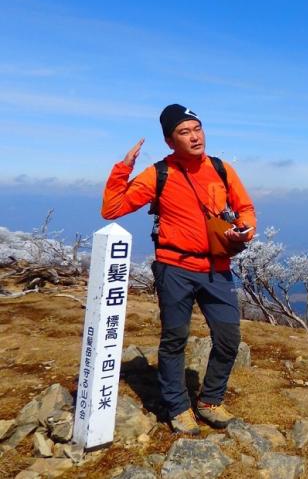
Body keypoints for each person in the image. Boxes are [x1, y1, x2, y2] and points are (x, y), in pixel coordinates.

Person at [101, 104, 256, 435]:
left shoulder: (221, 169)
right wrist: (123, 168)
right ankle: (178, 407)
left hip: (218, 267)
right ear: (170, 142)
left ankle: (210, 401)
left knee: (229, 338)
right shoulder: (160, 173)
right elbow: (112, 208)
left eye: (197, 128)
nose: (194, 136)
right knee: (175, 339)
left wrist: (244, 229)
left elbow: (245, 208)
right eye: (184, 132)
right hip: (175, 268)